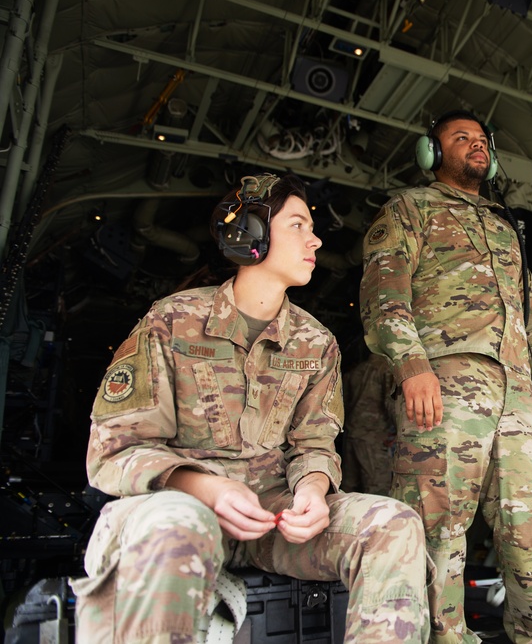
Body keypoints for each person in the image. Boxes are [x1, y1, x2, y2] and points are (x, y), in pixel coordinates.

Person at [71, 173, 430, 644]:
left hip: (274, 520)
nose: (316, 239)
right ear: (251, 235)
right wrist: (205, 488)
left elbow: (315, 444)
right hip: (182, 509)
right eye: (298, 225)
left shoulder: (316, 342)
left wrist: (314, 491)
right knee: (175, 522)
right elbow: (113, 451)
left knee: (393, 523)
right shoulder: (172, 320)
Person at [359, 111, 532, 644]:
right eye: (461, 139)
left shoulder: (504, 227)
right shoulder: (410, 208)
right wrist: (411, 365)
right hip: (446, 386)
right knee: (437, 528)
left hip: (519, 395)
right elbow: (384, 293)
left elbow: (530, 315)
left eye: (482, 141)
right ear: (432, 153)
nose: (475, 146)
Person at [341, 350, 397, 495]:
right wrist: (399, 432)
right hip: (374, 436)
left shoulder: (356, 370)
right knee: (378, 488)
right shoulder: (386, 370)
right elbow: (390, 403)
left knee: (348, 486)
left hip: (351, 432)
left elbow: (343, 403)